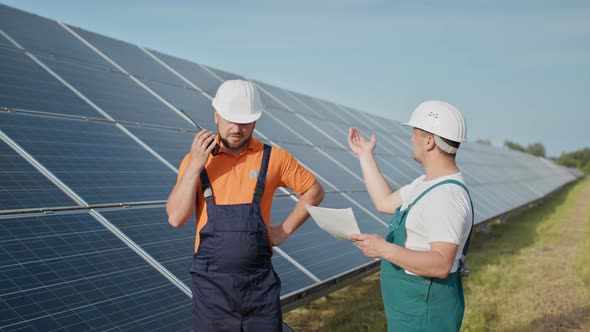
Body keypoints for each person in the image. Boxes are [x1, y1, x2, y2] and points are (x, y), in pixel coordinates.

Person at [166, 79, 324, 332]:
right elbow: (175, 217)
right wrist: (196, 164)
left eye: (245, 121)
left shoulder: (274, 158)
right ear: (216, 115)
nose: (237, 128)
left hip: (259, 287)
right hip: (211, 290)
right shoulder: (195, 160)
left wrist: (282, 231)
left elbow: (314, 192)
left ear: (256, 120)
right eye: (231, 120)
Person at [348, 100, 474, 332]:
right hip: (413, 306)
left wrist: (383, 248)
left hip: (426, 309)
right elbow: (384, 201)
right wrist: (365, 155)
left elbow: (441, 263)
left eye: (415, 133)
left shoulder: (445, 196)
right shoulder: (425, 184)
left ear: (429, 142)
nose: (411, 139)